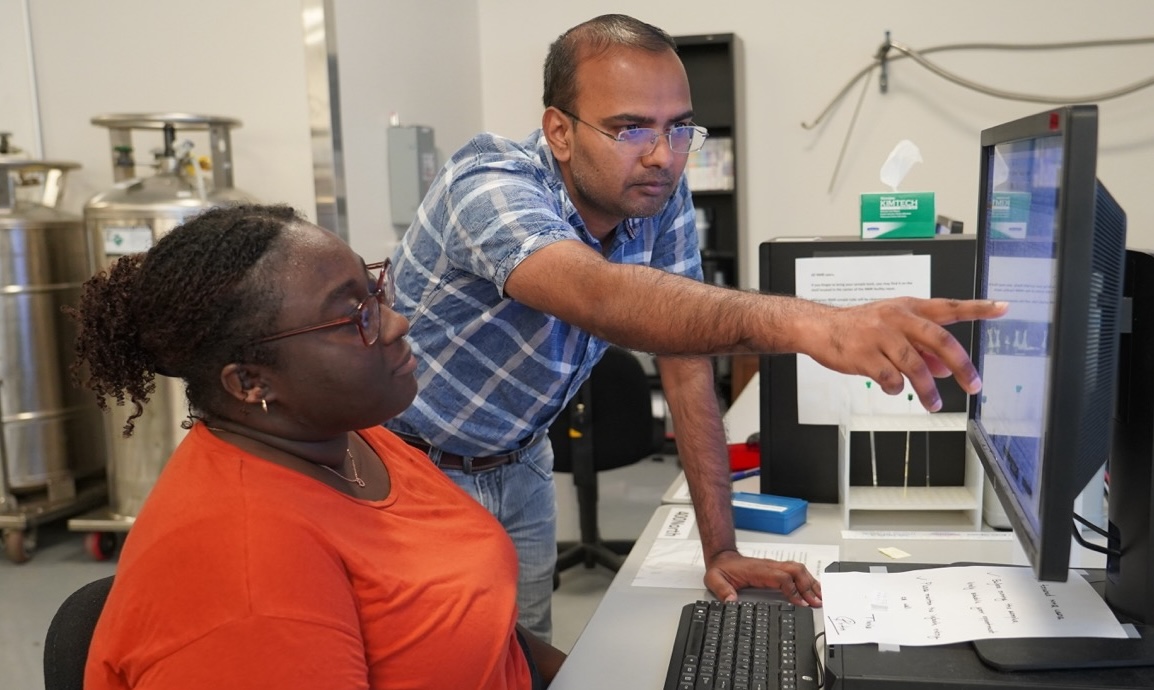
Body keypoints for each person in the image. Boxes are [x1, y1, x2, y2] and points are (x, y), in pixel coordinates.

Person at [385, 14, 1008, 642]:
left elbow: (686, 359)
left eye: (679, 128)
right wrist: (815, 323)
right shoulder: (489, 183)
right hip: (411, 468)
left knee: (524, 652)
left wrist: (722, 552)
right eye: (630, 128)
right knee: (445, 661)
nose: (662, 154)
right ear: (559, 132)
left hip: (522, 462)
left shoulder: (657, 192)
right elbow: (597, 294)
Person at [71, 204, 565, 690]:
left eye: (376, 293)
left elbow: (490, 633)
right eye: (354, 317)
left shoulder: (344, 437)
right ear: (250, 381)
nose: (396, 324)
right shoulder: (245, 576)